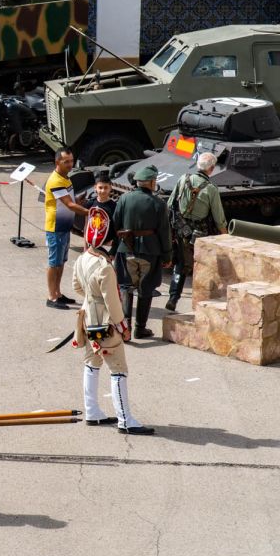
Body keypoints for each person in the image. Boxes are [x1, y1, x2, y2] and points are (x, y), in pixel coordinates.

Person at [71, 207, 154, 435]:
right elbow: (113, 304)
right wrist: (123, 326)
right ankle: (125, 419)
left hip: (88, 318)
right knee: (118, 369)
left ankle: (92, 411)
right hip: (105, 324)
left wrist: (91, 298)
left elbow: (76, 287)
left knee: (92, 364)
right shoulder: (105, 267)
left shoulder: (82, 259)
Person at [112, 165, 172, 339]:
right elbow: (164, 232)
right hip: (149, 251)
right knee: (146, 288)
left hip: (126, 249)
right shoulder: (158, 204)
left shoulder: (124, 199)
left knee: (126, 287)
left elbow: (116, 224)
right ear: (152, 182)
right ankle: (140, 328)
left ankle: (126, 329)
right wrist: (167, 255)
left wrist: (115, 249)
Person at [165, 152, 228, 311]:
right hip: (200, 233)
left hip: (181, 229)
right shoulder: (211, 189)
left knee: (180, 264)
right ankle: (203, 299)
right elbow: (218, 216)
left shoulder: (183, 179)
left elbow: (171, 203)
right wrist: (225, 234)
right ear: (212, 169)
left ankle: (173, 296)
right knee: (202, 264)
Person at [44, 148, 90, 310]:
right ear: (57, 163)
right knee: (54, 263)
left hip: (64, 226)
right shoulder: (56, 181)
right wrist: (91, 212)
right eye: (66, 162)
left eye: (71, 161)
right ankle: (51, 297)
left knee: (61, 262)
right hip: (55, 227)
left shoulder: (66, 178)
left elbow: (71, 200)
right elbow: (69, 205)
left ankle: (58, 293)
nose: (70, 165)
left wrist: (79, 200)